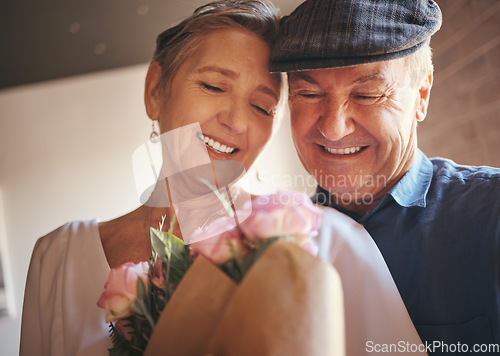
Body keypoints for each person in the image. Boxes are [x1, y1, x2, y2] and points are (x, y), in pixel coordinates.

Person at [19, 1, 283, 355]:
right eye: (213, 86)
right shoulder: (58, 258)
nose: (236, 121)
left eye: (262, 107)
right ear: (155, 90)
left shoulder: (294, 248)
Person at [271, 0, 500, 354]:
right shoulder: (275, 244)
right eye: (309, 93)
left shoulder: (491, 217)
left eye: (366, 94)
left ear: (421, 95)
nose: (333, 128)